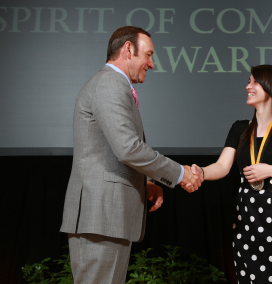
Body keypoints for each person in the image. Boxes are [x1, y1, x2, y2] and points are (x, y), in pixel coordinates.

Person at [60, 26, 202, 284]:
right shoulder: (109, 83)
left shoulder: (113, 85)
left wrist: (145, 182)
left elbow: (106, 149)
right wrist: (180, 174)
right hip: (101, 215)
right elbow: (128, 148)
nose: (152, 63)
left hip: (106, 217)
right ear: (127, 49)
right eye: (148, 55)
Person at [189, 65, 272, 283]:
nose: (247, 86)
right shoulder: (240, 128)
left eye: (254, 82)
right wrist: (200, 172)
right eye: (249, 81)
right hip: (246, 220)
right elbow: (222, 166)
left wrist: (271, 170)